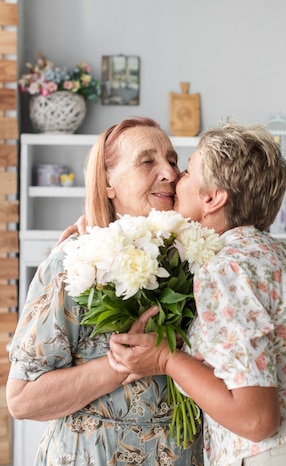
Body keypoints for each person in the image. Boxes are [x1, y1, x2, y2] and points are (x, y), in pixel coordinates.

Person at [108, 121, 286, 466]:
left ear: (213, 198)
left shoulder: (226, 268)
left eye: (188, 170)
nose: (176, 178)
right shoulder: (275, 253)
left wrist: (165, 358)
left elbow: (256, 420)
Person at [7, 116, 203, 465]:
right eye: (147, 161)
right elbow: (23, 399)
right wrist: (119, 365)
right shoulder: (72, 265)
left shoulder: (193, 259)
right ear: (108, 182)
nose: (170, 173)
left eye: (172, 160)